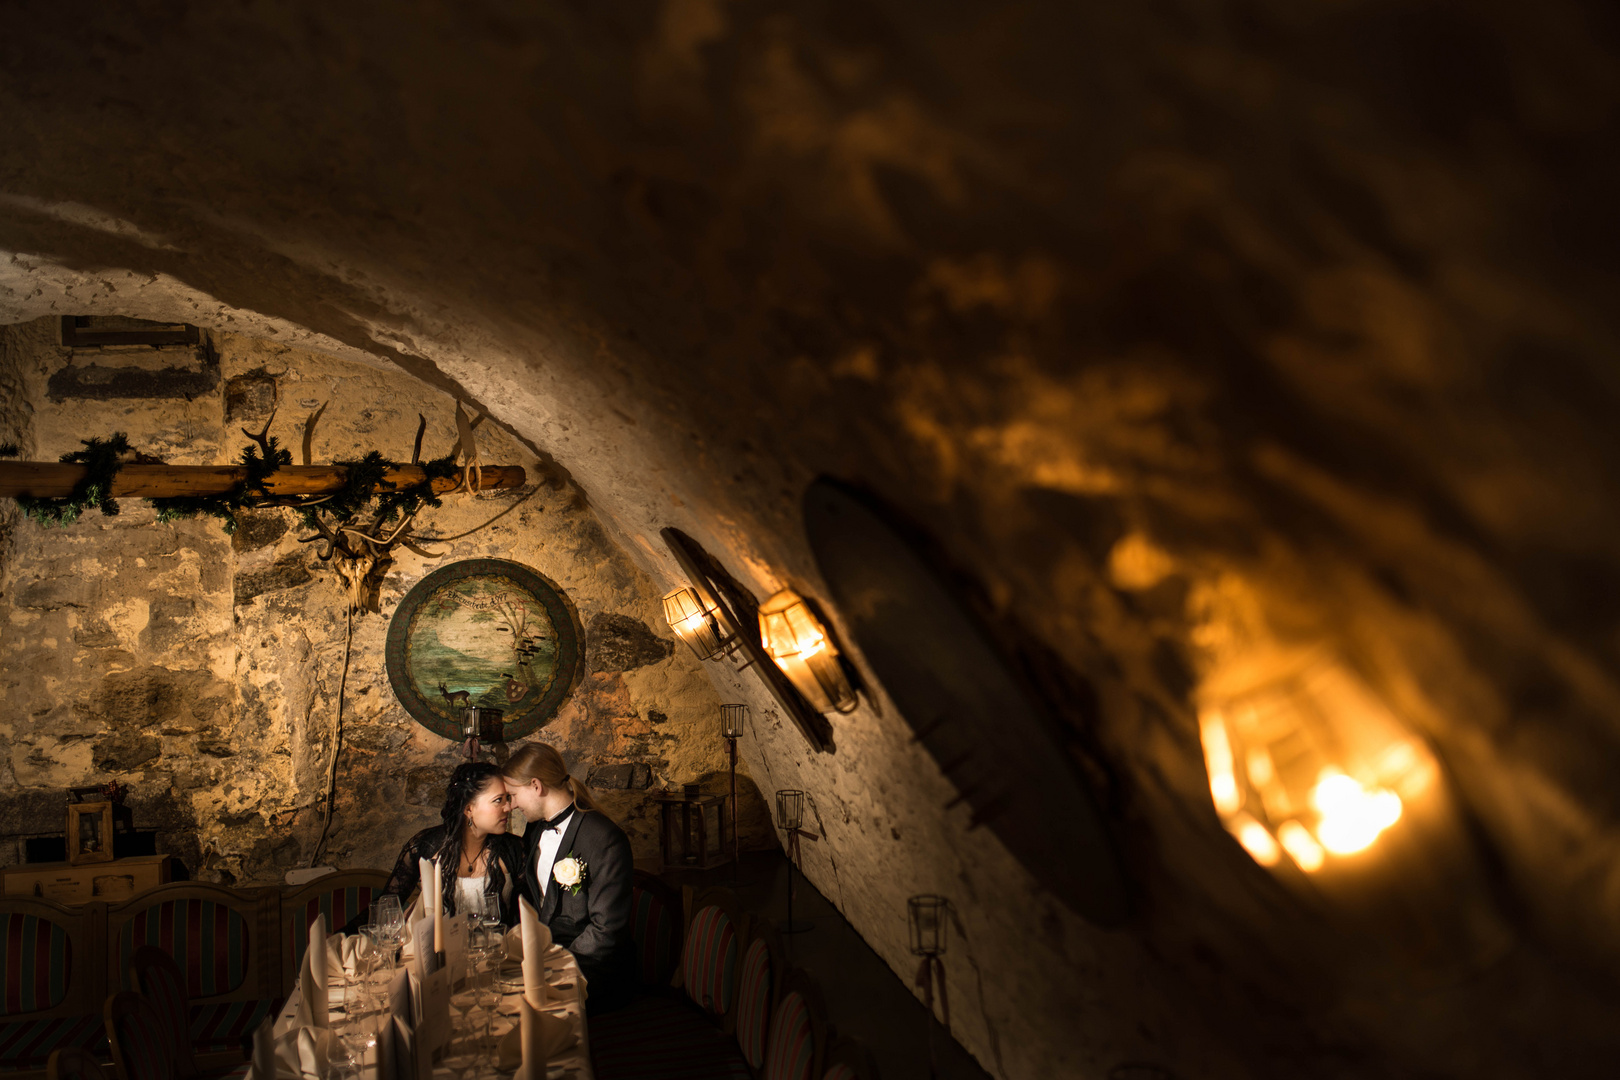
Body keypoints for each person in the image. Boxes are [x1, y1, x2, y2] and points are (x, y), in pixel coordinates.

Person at [502, 742, 636, 1015]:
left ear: (536, 786)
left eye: (513, 795)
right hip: (547, 962)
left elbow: (605, 931)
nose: (512, 805)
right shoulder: (535, 829)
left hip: (593, 974)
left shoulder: (604, 838)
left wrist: (555, 968)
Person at [353, 761, 535, 933]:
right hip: (443, 958)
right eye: (498, 800)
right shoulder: (426, 846)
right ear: (468, 809)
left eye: (507, 799)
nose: (508, 807)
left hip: (499, 955)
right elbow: (389, 903)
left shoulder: (513, 849)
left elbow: (527, 917)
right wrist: (340, 935)